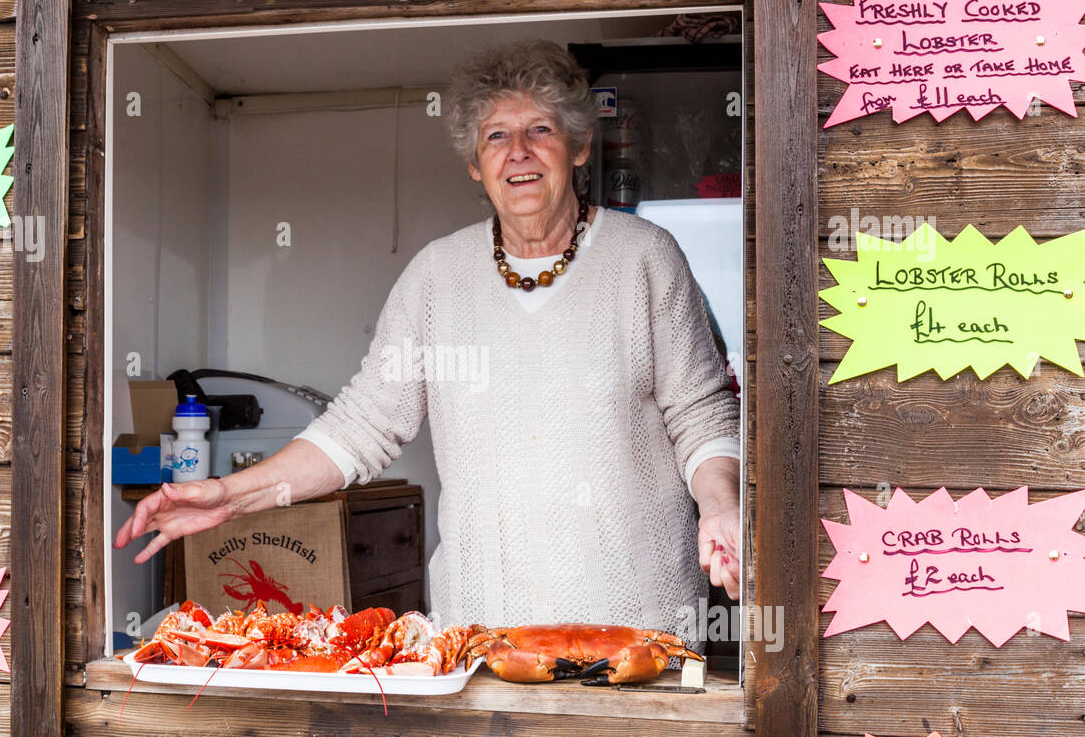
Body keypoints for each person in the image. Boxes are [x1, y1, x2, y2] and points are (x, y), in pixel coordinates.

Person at [115, 40, 741, 635]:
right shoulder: (437, 278)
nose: (518, 151)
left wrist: (719, 506)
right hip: (486, 631)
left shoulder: (644, 259)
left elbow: (701, 412)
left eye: (539, 130)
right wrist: (228, 496)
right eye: (497, 136)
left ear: (578, 148)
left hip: (638, 623)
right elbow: (362, 426)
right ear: (475, 164)